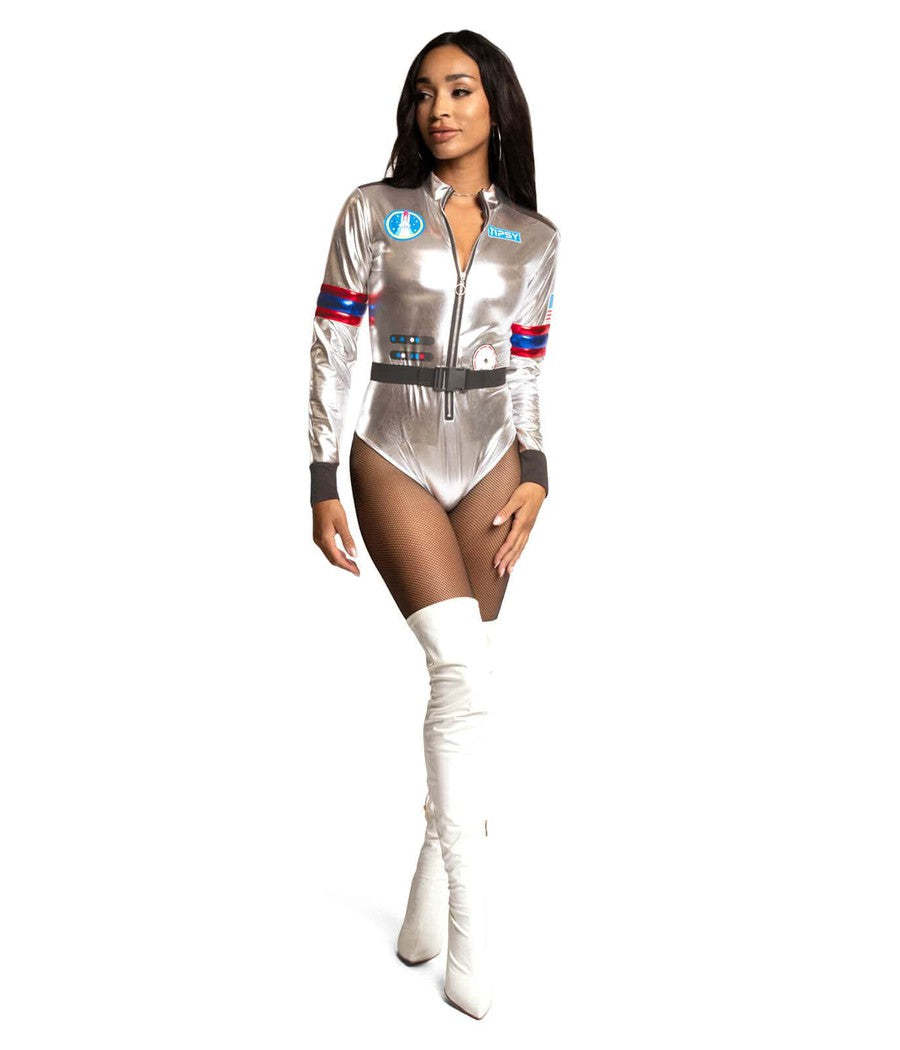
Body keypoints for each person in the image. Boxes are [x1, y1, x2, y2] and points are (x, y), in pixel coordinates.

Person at [307, 30, 559, 1020]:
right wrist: (320, 476)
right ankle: (472, 932)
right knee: (459, 670)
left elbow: (527, 367)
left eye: (459, 90)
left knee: (468, 682)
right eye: (423, 93)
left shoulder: (535, 238)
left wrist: (537, 470)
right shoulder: (373, 212)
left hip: (494, 460)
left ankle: (419, 911)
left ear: (496, 104)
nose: (439, 109)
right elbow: (332, 346)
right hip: (393, 454)